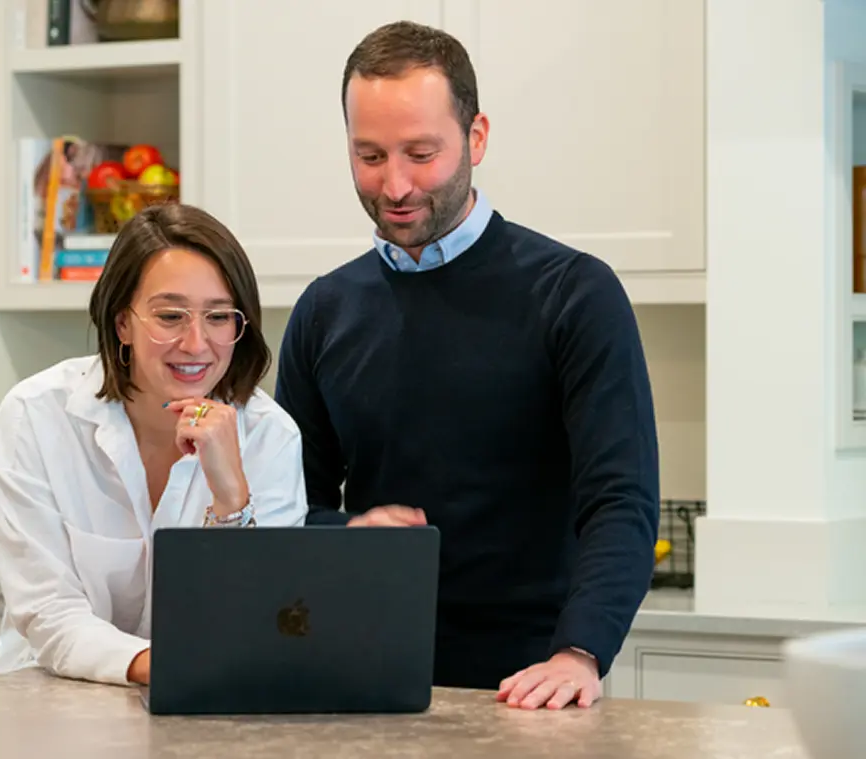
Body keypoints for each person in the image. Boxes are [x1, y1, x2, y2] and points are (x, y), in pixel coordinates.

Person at [273, 21, 659, 711]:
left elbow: (621, 501)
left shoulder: (574, 294)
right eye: (369, 155)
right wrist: (347, 532)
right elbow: (288, 507)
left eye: (422, 153)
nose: (394, 184)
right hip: (361, 672)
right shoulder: (323, 310)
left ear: (476, 137)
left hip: (533, 683)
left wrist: (579, 652)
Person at [0, 202, 308, 687]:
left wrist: (231, 500)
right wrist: (160, 666)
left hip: (200, 711)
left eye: (219, 317)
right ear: (122, 324)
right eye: (170, 316)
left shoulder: (270, 435)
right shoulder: (35, 415)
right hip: (50, 703)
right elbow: (49, 612)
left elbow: (260, 621)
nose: (197, 343)